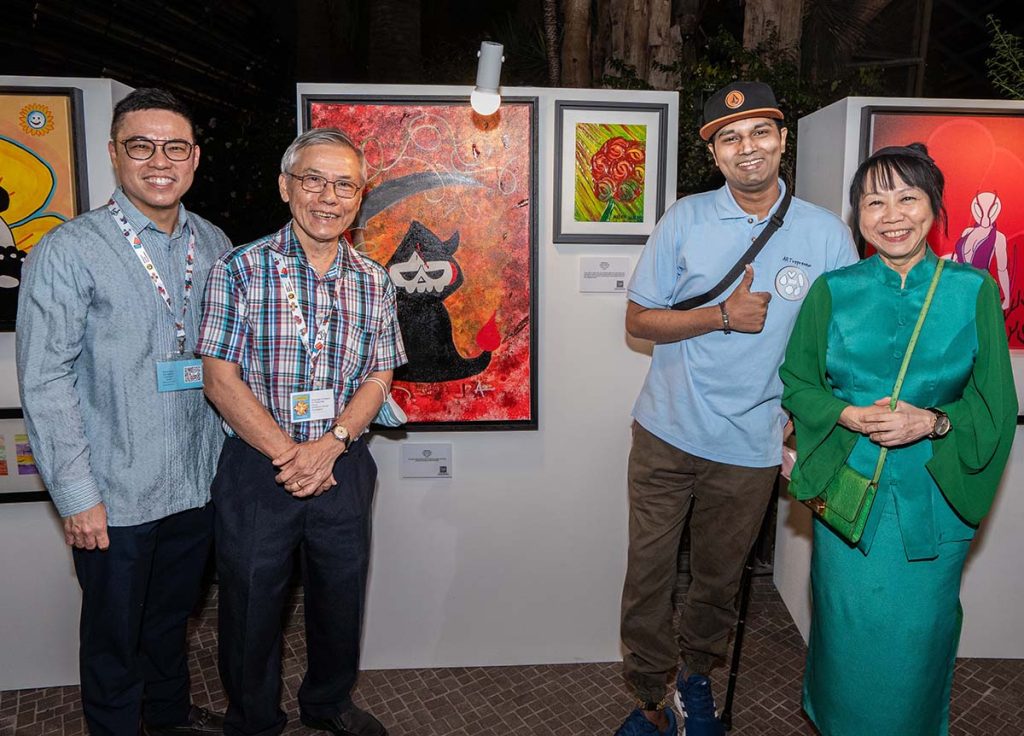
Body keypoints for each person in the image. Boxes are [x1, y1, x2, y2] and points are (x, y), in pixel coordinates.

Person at [615, 81, 858, 736]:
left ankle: (696, 681)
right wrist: (721, 315)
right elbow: (638, 320)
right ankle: (648, 697)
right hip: (666, 432)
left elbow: (840, 346)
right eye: (729, 138)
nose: (746, 147)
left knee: (717, 584)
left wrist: (808, 418)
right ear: (715, 155)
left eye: (759, 132)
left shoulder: (827, 235)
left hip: (750, 444)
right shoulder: (685, 219)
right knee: (648, 575)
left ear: (782, 138)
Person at [780, 143, 1017, 735]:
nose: (892, 215)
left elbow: (995, 403)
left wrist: (933, 422)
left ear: (933, 208)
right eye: (873, 201)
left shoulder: (973, 290)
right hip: (849, 495)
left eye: (908, 198)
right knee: (845, 632)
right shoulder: (832, 291)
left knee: (918, 640)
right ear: (857, 214)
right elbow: (797, 383)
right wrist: (843, 414)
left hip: (934, 497)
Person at [16, 88, 230, 736]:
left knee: (171, 624)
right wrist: (77, 495)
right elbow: (46, 380)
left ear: (193, 158)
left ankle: (166, 719)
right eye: (141, 146)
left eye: (173, 147)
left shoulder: (215, 242)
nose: (157, 160)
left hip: (196, 489)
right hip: (114, 495)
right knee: (113, 641)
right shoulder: (68, 250)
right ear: (115, 155)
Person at [197, 127, 405, 736]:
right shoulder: (239, 269)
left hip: (343, 462)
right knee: (251, 601)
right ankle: (254, 717)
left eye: (344, 184)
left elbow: (380, 374)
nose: (328, 196)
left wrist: (331, 445)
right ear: (286, 186)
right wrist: (291, 455)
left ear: (359, 197)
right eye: (313, 179)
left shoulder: (373, 279)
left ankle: (329, 703)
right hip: (259, 469)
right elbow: (218, 378)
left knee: (340, 597)